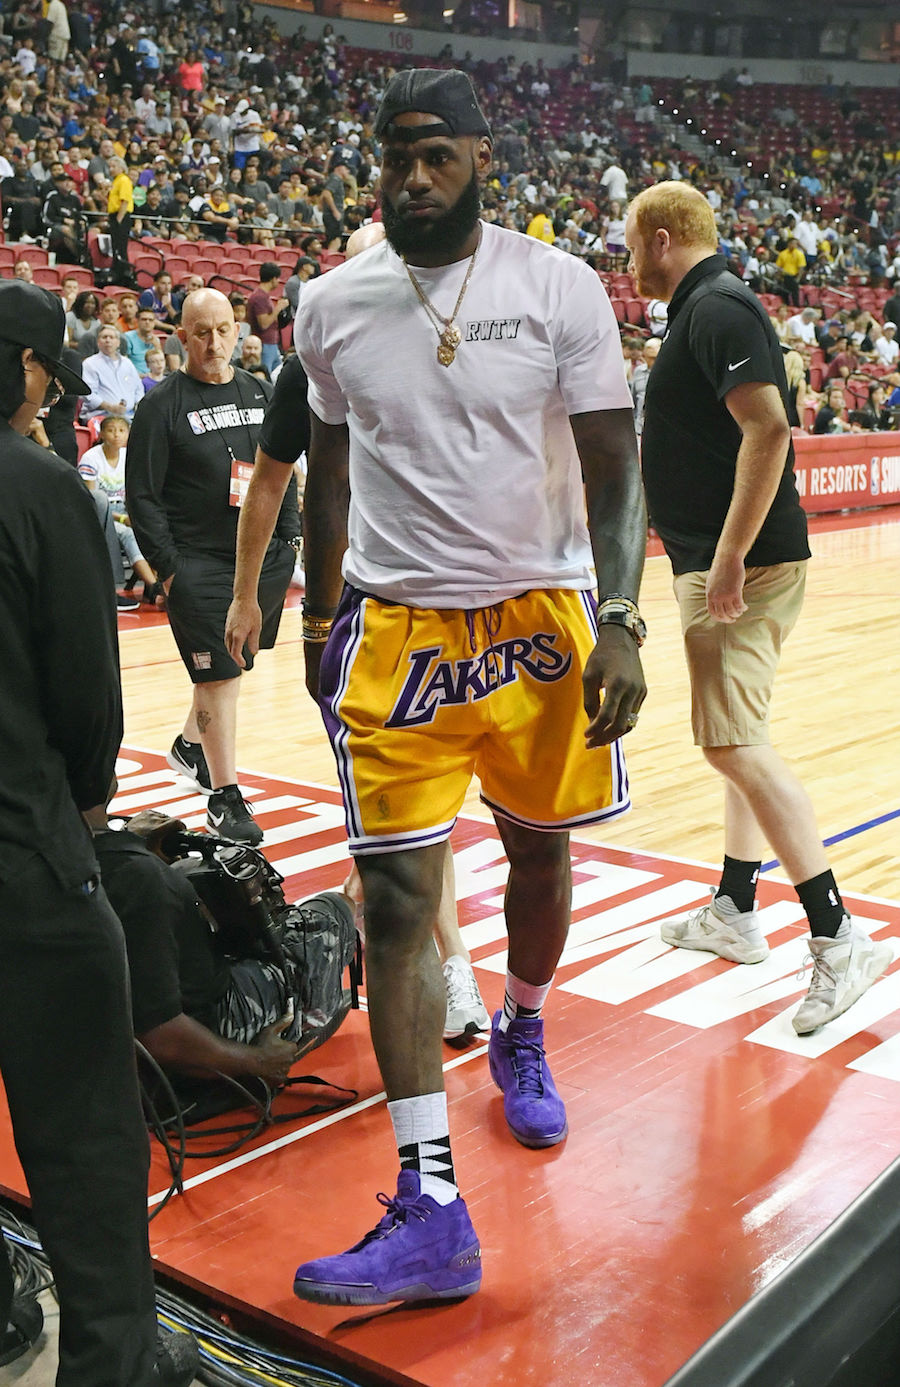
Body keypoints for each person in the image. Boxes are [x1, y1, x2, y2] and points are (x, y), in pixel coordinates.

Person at [225, 68, 646, 1306]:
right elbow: (329, 468)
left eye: (437, 155)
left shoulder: (558, 286)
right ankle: (431, 1206)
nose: (414, 176)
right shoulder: (330, 305)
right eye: (396, 155)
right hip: (397, 627)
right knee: (401, 900)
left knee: (538, 858)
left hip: (539, 617)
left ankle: (523, 1020)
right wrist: (319, 613)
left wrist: (623, 618)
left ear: (479, 159)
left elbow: (616, 467)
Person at [625, 181, 892, 1037]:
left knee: (731, 743)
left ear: (661, 237)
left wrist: (732, 553)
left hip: (738, 565)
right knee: (741, 736)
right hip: (721, 559)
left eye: (631, 245)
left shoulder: (718, 307)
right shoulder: (702, 309)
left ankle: (839, 934)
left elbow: (769, 429)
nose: (628, 262)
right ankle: (737, 908)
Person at [0, 278, 196, 1386]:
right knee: (85, 1135)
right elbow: (89, 703)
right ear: (30, 371)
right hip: (24, 856)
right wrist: (79, 814)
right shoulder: (41, 489)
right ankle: (115, 1362)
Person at [126, 288, 299, 846]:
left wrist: (290, 537)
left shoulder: (260, 391)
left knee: (230, 667)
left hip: (259, 560)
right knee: (220, 674)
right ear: (181, 338)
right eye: (201, 333)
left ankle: (188, 744)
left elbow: (281, 471)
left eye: (223, 330)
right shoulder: (161, 405)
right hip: (196, 563)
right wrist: (170, 569)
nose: (214, 343)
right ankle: (224, 797)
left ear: (238, 329)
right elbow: (142, 495)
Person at [81, 324, 144, 422]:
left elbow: (138, 388)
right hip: (100, 417)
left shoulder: (127, 363)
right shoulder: (90, 364)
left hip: (130, 416)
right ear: (98, 342)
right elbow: (88, 394)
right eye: (104, 337)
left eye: (111, 337)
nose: (108, 340)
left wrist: (138, 406)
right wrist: (110, 407)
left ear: (118, 342)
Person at [246, 263, 289, 378]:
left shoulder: (263, 296)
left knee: (277, 376)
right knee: (266, 378)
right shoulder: (260, 297)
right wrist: (278, 308)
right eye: (277, 278)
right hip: (265, 344)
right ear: (273, 279)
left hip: (271, 344)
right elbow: (264, 324)